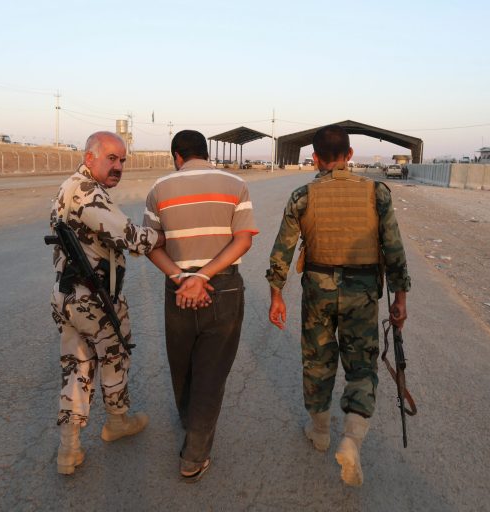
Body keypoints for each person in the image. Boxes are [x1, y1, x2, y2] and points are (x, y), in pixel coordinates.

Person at [265, 124, 411, 486]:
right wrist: (400, 297)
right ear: (349, 156)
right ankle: (351, 439)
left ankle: (319, 432)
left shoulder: (303, 196)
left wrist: (276, 294)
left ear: (314, 158)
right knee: (361, 367)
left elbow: (282, 250)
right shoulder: (377, 193)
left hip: (318, 289)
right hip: (362, 293)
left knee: (317, 360)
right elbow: (393, 247)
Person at [143, 130, 258, 482]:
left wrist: (183, 278)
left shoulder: (159, 189)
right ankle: (193, 455)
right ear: (206, 153)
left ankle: (189, 420)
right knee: (211, 372)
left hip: (178, 290)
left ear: (177, 156)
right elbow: (243, 241)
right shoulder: (235, 184)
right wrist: (204, 276)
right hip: (221, 288)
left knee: (182, 365)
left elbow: (151, 245)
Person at [49, 131, 164, 475]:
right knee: (113, 357)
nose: (118, 167)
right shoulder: (87, 193)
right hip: (95, 299)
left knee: (76, 366)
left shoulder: (71, 186)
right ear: (89, 158)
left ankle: (69, 449)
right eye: (111, 159)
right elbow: (129, 237)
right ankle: (117, 421)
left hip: (68, 295)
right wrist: (164, 234)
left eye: (122, 160)